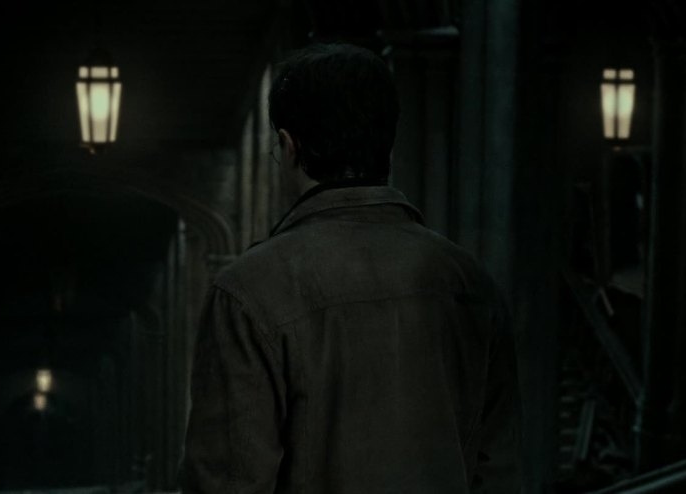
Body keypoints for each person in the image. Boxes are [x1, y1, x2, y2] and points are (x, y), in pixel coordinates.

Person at [180, 43, 521, 493]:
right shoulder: (471, 284)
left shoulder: (248, 292)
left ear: (289, 146)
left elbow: (228, 483)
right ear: (388, 146)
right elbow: (498, 472)